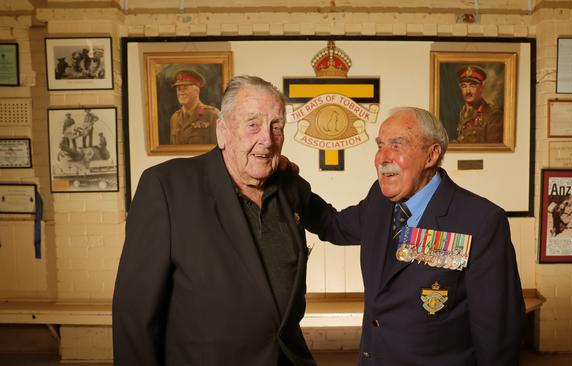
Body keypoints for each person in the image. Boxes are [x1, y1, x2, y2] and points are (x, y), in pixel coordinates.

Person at [112, 75, 316, 366]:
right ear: (222, 131)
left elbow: (343, 223)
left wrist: (404, 195)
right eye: (253, 124)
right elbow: (134, 313)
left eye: (276, 126)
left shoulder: (290, 187)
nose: (267, 139)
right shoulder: (167, 187)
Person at [303, 107, 525, 365]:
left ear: (431, 155)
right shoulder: (380, 198)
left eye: (397, 146)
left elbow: (498, 332)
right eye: (380, 146)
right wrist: (284, 183)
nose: (382, 158)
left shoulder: (481, 221)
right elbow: (333, 226)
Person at [169, 69, 219, 145]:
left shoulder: (212, 115)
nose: (181, 93)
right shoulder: (175, 118)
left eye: (185, 88)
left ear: (196, 91)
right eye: (179, 89)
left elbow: (218, 148)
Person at [455, 65, 504, 143]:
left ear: (481, 88)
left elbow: (494, 151)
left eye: (472, 86)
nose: (468, 91)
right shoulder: (463, 112)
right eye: (464, 86)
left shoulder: (493, 115)